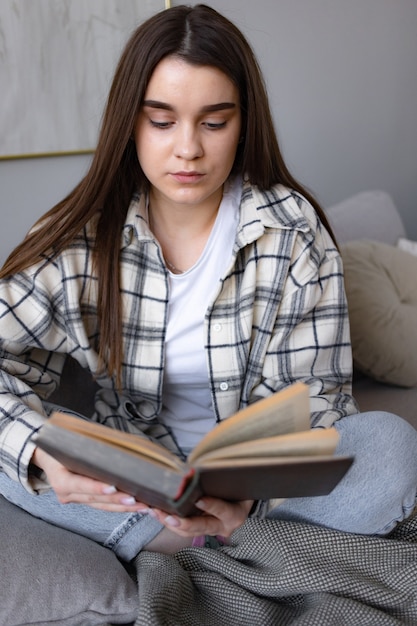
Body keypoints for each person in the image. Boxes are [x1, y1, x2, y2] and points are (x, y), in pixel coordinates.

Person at [0, 4, 416, 561]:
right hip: (130, 487)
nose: (189, 148)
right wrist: (38, 453)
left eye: (215, 122)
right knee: (17, 456)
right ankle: (205, 543)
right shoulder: (78, 237)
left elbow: (318, 400)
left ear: (244, 124)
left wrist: (249, 501)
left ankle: (212, 538)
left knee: (391, 448)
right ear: (130, 121)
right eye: (162, 121)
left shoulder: (291, 231)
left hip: (260, 496)